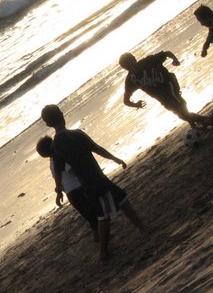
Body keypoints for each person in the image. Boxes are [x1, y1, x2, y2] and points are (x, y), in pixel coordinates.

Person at [40, 104, 148, 260]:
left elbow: (58, 171)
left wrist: (58, 190)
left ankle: (141, 228)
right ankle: (104, 251)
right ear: (62, 114)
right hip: (96, 180)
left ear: (48, 124)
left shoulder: (56, 145)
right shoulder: (77, 134)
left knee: (120, 200)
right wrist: (114, 158)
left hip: (89, 182)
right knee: (104, 215)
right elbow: (98, 149)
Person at [118, 51, 209, 129]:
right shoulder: (131, 80)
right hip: (161, 97)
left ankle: (206, 120)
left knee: (180, 109)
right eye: (128, 65)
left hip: (170, 85)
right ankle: (197, 124)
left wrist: (175, 59)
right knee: (179, 112)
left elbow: (166, 53)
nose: (133, 65)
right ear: (125, 67)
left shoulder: (148, 61)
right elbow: (126, 101)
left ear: (134, 59)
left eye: (132, 60)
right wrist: (136, 104)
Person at [36, 135, 98, 240]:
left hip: (71, 192)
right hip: (78, 188)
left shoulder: (52, 163)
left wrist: (60, 192)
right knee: (92, 212)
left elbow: (59, 181)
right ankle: (98, 233)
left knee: (88, 214)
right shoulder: (60, 158)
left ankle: (96, 232)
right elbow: (72, 171)